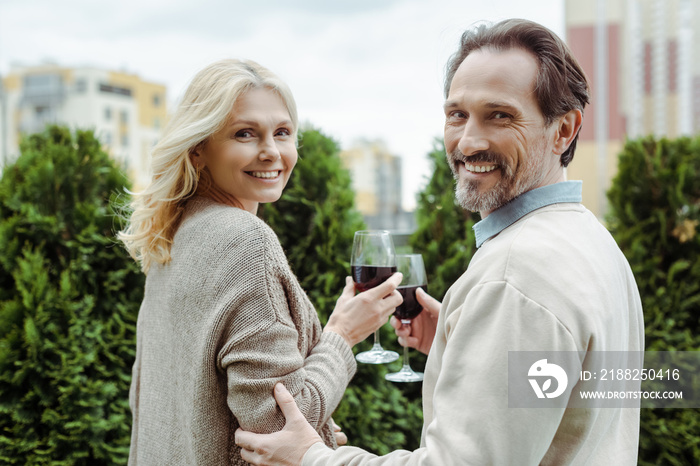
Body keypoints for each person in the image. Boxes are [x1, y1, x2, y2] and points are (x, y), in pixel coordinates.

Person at [234, 18, 644, 465]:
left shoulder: (514, 274)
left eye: (499, 116)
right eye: (457, 115)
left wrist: (312, 457)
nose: (468, 141)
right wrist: (463, 347)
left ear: (563, 130)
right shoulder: (594, 241)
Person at [118, 59, 403, 465]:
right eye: (245, 134)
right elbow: (277, 426)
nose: (271, 151)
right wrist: (342, 336)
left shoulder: (174, 235)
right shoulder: (246, 241)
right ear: (198, 149)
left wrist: (320, 436)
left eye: (282, 133)